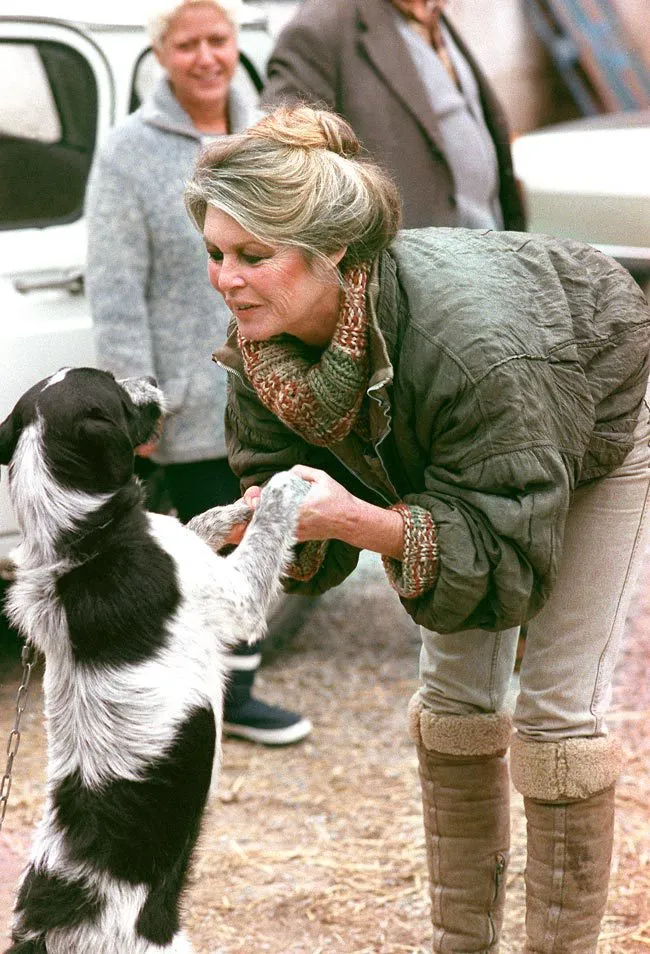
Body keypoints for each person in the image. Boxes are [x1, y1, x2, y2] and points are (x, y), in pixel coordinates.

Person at [183, 105, 650, 952]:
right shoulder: (268, 339)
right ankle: (461, 940)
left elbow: (506, 557)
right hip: (472, 448)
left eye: (252, 256)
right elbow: (282, 486)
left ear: (332, 257)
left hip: (591, 428)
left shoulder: (474, 347)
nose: (226, 278)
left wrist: (359, 520)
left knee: (552, 715)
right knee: (453, 701)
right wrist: (263, 525)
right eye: (216, 253)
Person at [85, 0, 312, 746]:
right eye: (188, 44)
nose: (207, 57)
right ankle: (218, 696)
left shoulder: (268, 138)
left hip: (274, 382)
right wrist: (135, 402)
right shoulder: (128, 150)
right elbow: (114, 282)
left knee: (272, 525)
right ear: (163, 54)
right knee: (209, 544)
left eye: (219, 39)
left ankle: (230, 689)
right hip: (189, 398)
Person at [260, 0, 525, 231]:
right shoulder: (322, 23)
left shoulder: (432, 14)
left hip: (486, 250)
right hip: (406, 268)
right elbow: (286, 154)